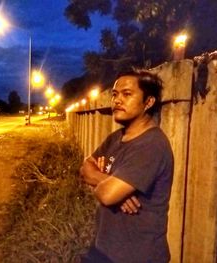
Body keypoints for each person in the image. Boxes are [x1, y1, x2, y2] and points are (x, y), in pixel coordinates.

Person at [79, 69, 174, 263]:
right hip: (104, 248)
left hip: (137, 255)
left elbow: (106, 195)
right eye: (115, 94)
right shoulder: (116, 138)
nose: (117, 100)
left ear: (148, 102)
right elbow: (85, 169)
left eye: (127, 94)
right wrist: (108, 182)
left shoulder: (151, 145)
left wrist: (107, 188)